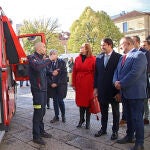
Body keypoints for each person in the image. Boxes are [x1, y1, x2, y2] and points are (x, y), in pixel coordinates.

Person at [113, 37, 147, 150]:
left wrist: (121, 83)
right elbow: (116, 72)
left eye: (121, 44)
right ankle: (129, 136)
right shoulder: (122, 57)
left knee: (137, 118)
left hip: (136, 93)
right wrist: (115, 82)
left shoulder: (139, 55)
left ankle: (140, 142)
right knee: (128, 117)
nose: (120, 47)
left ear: (127, 44)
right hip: (125, 93)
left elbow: (135, 74)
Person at [94, 38, 121, 140]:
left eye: (103, 45)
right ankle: (103, 129)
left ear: (110, 45)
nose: (102, 47)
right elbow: (96, 74)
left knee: (115, 112)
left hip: (114, 90)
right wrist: (95, 87)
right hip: (102, 90)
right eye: (101, 45)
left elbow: (120, 75)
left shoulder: (118, 57)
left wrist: (119, 92)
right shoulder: (99, 57)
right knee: (104, 111)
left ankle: (115, 131)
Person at [28, 42, 52, 145]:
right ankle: (36, 136)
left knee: (42, 111)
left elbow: (44, 71)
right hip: (37, 91)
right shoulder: (31, 58)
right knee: (38, 112)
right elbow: (37, 67)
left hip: (44, 90)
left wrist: (52, 73)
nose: (45, 48)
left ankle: (41, 131)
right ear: (38, 48)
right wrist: (49, 59)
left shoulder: (41, 59)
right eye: (44, 47)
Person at [72, 43, 95, 129]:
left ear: (87, 49)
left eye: (82, 47)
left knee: (88, 103)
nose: (81, 48)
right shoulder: (77, 58)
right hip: (79, 83)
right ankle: (81, 120)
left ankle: (88, 121)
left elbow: (95, 73)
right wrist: (73, 83)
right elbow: (74, 72)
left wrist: (95, 85)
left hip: (89, 83)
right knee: (81, 103)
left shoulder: (93, 59)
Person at [132, 36, 150, 125]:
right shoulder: (131, 53)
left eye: (133, 41)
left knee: (144, 100)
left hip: (143, 80)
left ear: (137, 42)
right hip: (134, 82)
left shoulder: (145, 53)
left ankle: (145, 118)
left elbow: (148, 67)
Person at [47, 49, 68, 123]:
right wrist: (50, 83)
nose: (52, 55)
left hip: (60, 85)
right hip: (52, 85)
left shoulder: (62, 62)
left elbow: (64, 75)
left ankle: (63, 115)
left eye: (53, 54)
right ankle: (56, 116)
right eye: (51, 54)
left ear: (57, 55)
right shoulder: (48, 63)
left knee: (60, 100)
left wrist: (57, 83)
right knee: (54, 101)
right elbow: (46, 75)